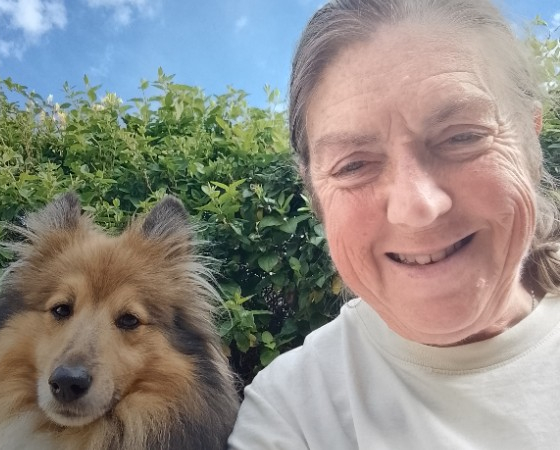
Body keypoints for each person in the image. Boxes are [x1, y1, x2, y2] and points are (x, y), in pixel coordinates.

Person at [228, 0, 560, 448]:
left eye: (462, 136)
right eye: (353, 165)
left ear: (530, 138)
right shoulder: (293, 414)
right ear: (315, 196)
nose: (417, 207)